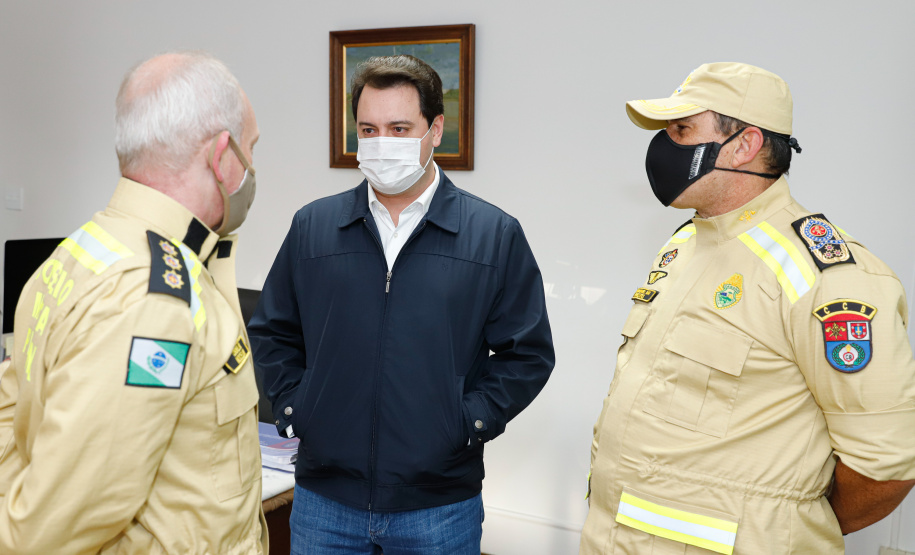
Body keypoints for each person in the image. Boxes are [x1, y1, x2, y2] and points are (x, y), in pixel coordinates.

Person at [581, 62, 915, 554]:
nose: (664, 147)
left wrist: (792, 529)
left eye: (681, 130)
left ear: (744, 145)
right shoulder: (683, 246)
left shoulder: (823, 275)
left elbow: (885, 465)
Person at [248, 54, 555, 554]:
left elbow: (528, 354)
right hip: (325, 503)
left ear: (436, 130)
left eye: (399, 128)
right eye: (368, 130)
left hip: (438, 508)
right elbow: (272, 331)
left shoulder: (492, 235)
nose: (381, 143)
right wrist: (294, 408)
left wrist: (467, 422)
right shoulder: (313, 227)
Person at [0, 51, 267, 554]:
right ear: (222, 156)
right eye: (250, 149)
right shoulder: (153, 300)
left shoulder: (81, 251)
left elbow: (13, 419)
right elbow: (52, 528)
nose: (252, 168)